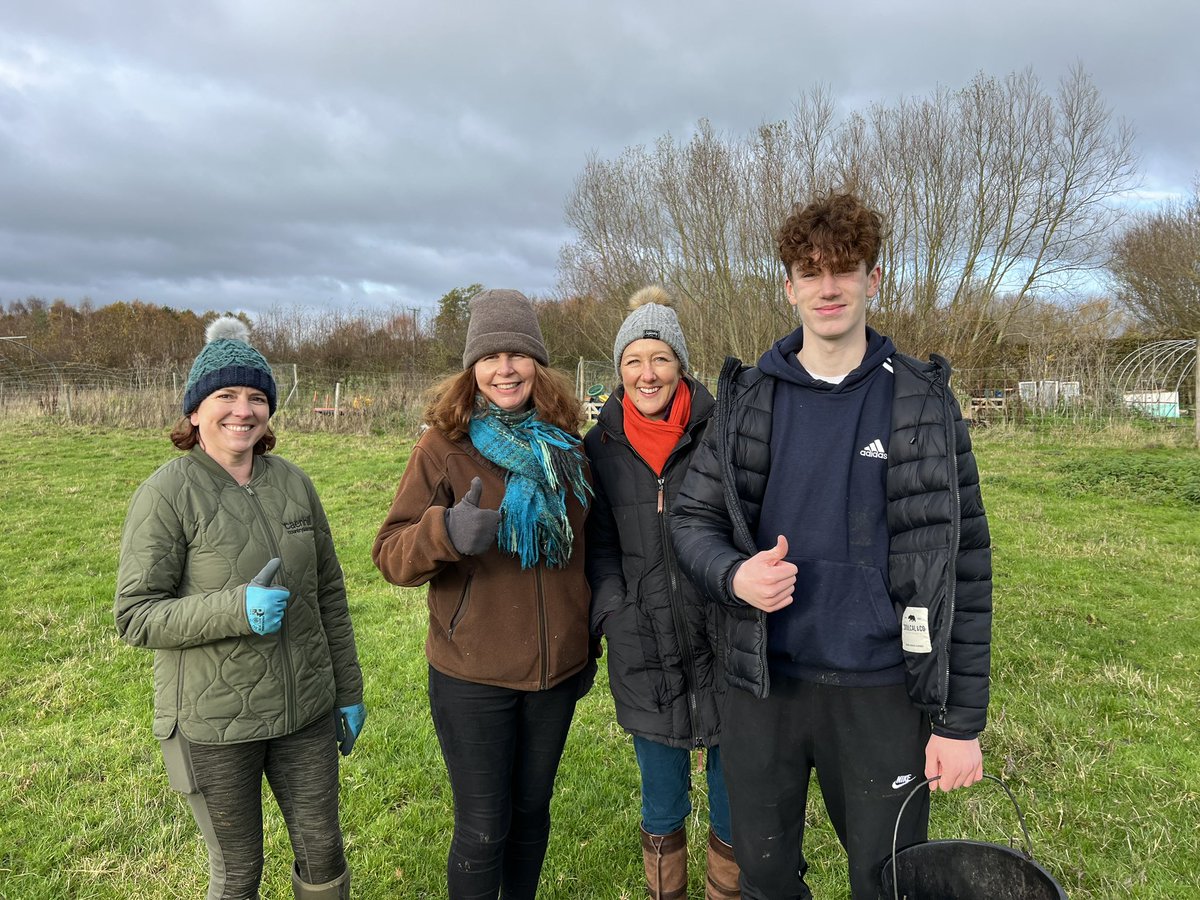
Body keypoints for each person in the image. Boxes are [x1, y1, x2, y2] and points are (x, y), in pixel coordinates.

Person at [670, 192, 993, 900]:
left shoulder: (924, 405)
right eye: (809, 272)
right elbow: (689, 524)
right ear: (788, 287)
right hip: (765, 688)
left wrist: (961, 723)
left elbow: (966, 567)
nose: (828, 287)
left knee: (890, 882)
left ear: (874, 279)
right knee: (765, 878)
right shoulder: (748, 400)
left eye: (844, 269)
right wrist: (733, 577)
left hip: (882, 691)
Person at [115, 317, 366, 900]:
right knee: (238, 871)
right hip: (213, 722)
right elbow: (135, 614)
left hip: (304, 711)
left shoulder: (295, 485)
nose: (243, 410)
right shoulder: (167, 494)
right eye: (225, 395)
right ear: (196, 410)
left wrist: (347, 690)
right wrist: (236, 609)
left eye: (256, 397)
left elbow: (329, 593)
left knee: (323, 852)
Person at [372, 289, 593, 900]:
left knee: (530, 818)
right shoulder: (443, 447)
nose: (504, 369)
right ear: (472, 368)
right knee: (483, 829)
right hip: (474, 676)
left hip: (556, 672)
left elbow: (589, 552)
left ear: (538, 364)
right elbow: (390, 553)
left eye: (517, 354)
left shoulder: (568, 447)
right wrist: (444, 531)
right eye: (490, 356)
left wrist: (586, 636)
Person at [584, 286, 739, 899]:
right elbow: (597, 547)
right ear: (619, 371)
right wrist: (613, 613)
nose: (647, 375)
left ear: (681, 365)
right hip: (642, 645)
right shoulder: (599, 448)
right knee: (662, 801)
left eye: (660, 360)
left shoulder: (723, 432)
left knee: (734, 797)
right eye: (633, 362)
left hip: (722, 637)